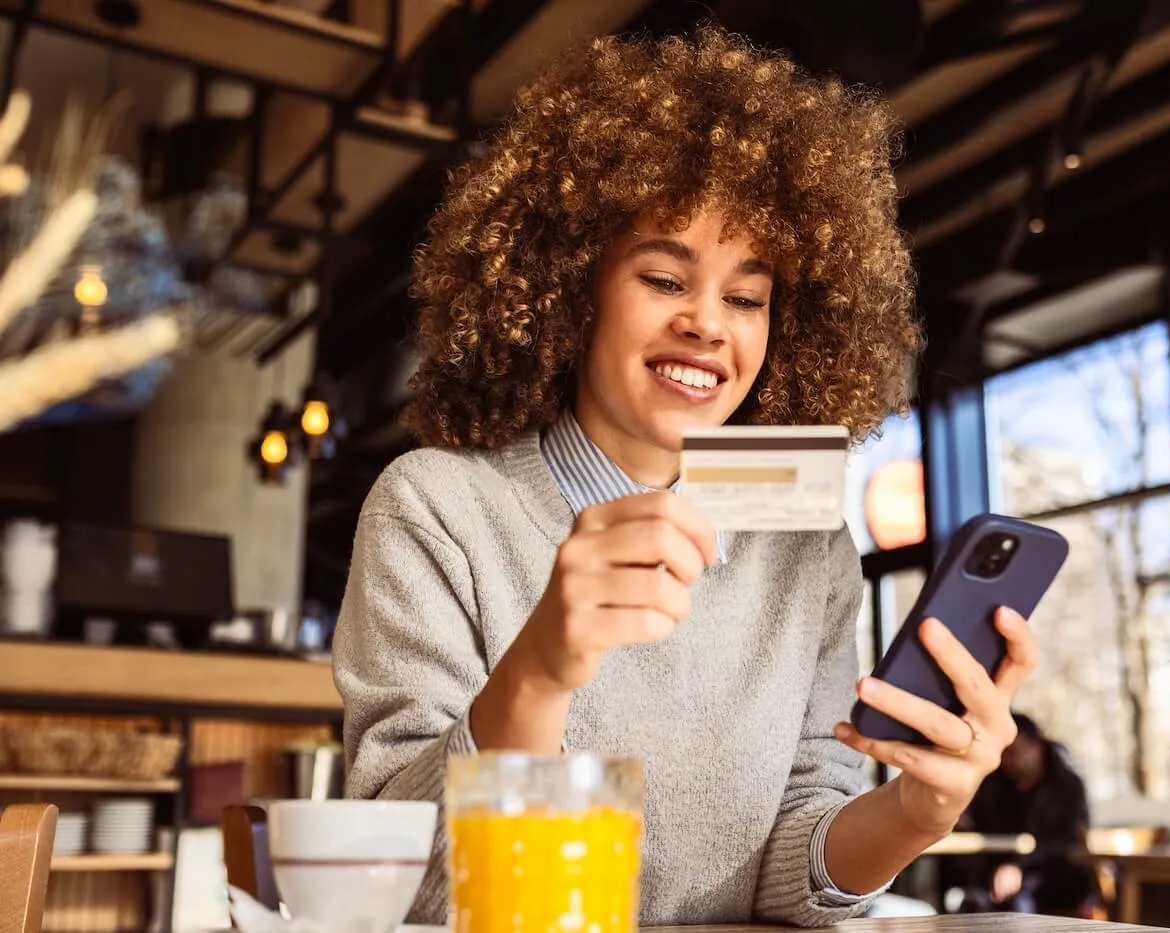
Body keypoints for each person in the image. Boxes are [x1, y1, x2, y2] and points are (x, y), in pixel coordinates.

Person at [331, 27, 1039, 927]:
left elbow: (797, 852)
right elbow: (398, 886)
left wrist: (914, 811)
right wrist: (539, 672)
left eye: (747, 296)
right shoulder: (435, 507)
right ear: (569, 285)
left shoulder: (805, 547)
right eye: (666, 277)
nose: (709, 323)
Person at [960, 713, 1098, 917]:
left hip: (1057, 874)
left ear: (1036, 747)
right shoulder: (995, 785)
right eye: (1003, 753)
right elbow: (983, 825)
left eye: (1014, 751)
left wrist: (1019, 867)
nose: (1007, 760)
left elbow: (1065, 840)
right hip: (998, 869)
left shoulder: (1066, 786)